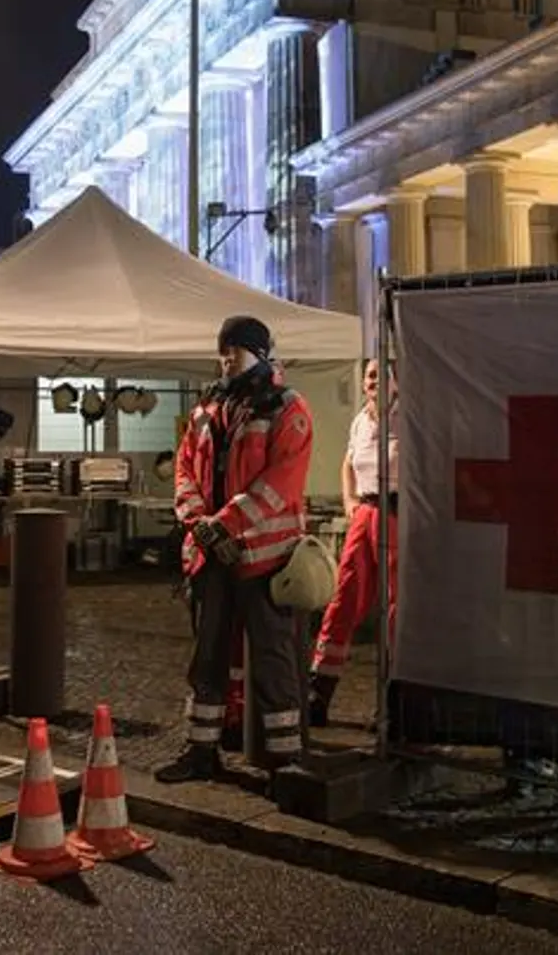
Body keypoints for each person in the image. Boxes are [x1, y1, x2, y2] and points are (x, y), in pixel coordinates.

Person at [157, 315, 316, 784]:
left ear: (261, 354)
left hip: (265, 560)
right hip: (212, 556)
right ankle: (201, 750)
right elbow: (185, 468)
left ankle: (285, 760)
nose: (227, 358)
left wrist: (222, 526)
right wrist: (198, 523)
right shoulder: (209, 407)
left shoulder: (288, 408)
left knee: (273, 658)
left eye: (237, 350)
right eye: (223, 349)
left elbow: (280, 484)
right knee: (207, 657)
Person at [307, 358, 396, 727]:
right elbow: (348, 462)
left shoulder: (409, 417)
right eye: (369, 376)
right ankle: (319, 691)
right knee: (343, 598)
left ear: (398, 382)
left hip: (398, 514)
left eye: (381, 375)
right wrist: (350, 502)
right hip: (366, 513)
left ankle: (394, 701)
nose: (373, 380)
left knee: (397, 608)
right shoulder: (361, 421)